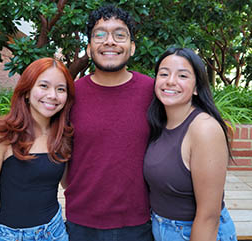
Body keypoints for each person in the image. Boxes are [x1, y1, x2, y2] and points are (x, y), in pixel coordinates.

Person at [63, 5, 154, 241]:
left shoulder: (153, 92)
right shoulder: (70, 94)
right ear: (89, 48)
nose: (109, 42)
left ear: (132, 48)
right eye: (100, 34)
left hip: (140, 222)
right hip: (81, 223)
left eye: (119, 35)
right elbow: (59, 152)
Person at [0, 57, 74, 241]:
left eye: (61, 89)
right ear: (27, 91)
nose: (52, 95)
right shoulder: (2, 138)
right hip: (11, 236)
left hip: (55, 231)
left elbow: (70, 185)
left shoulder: (62, 135)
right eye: (44, 86)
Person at [144, 47, 237, 241]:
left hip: (193, 232)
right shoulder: (159, 123)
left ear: (196, 88)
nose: (170, 81)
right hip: (160, 228)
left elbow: (209, 217)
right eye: (164, 74)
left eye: (183, 76)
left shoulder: (205, 129)